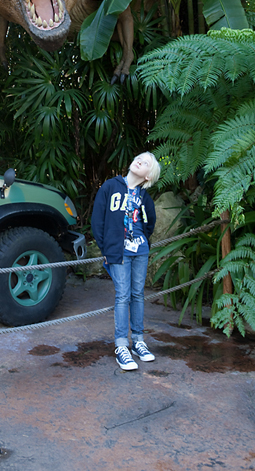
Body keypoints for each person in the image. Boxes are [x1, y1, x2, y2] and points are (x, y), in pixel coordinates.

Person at [91, 152, 161, 371]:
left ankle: (138, 341)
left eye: (146, 163)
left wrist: (142, 242)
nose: (139, 161)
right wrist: (106, 249)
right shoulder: (110, 186)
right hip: (117, 251)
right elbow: (97, 220)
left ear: (148, 176)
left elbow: (150, 222)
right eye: (139, 158)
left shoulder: (144, 197)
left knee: (138, 294)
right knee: (123, 295)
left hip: (140, 250)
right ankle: (121, 345)